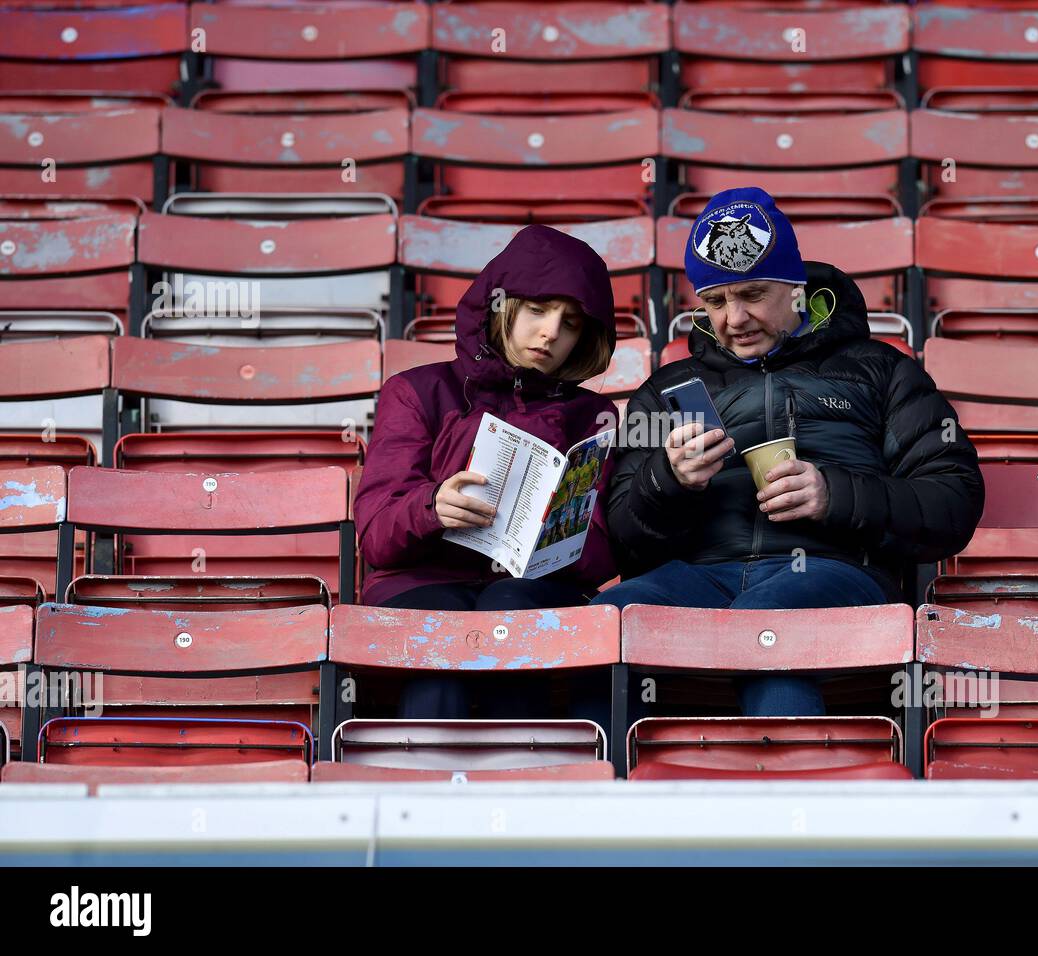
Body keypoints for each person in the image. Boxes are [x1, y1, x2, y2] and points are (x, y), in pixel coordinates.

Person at [591, 187, 985, 717]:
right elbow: (624, 540)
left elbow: (953, 501)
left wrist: (835, 495)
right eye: (714, 301)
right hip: (703, 573)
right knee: (603, 620)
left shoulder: (882, 370)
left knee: (768, 622)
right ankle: (604, 792)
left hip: (837, 570)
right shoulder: (669, 387)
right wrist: (668, 482)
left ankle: (788, 795)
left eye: (752, 295)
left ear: (795, 288)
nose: (733, 319)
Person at [354, 224, 618, 720]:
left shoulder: (592, 415)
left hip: (530, 586)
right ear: (502, 307)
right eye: (537, 310)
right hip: (422, 579)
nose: (551, 333)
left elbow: (602, 553)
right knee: (447, 635)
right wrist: (433, 507)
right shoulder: (417, 391)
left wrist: (560, 534)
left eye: (572, 322)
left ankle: (522, 780)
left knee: (513, 609)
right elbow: (375, 536)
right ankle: (426, 779)